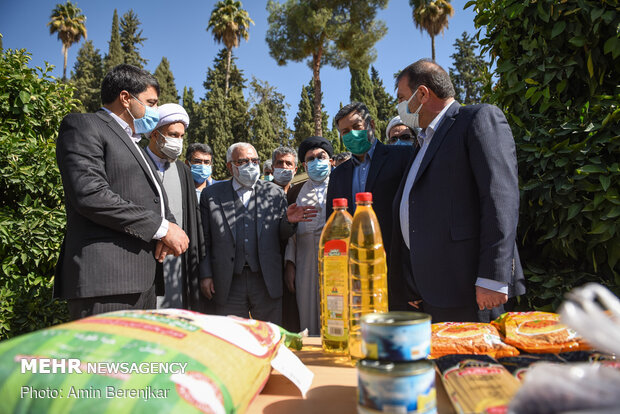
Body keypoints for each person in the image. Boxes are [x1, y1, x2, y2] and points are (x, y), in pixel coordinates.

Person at [390, 58, 526, 322]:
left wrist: (493, 276)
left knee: (474, 364)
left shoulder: (476, 119)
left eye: (402, 97)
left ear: (422, 94)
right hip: (431, 291)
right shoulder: (423, 141)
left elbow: (500, 198)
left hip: (472, 289)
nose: (399, 106)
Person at [55, 64, 189, 320]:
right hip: (107, 283)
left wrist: (167, 226)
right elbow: (90, 194)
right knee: (103, 361)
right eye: (151, 102)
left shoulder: (135, 143)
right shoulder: (84, 125)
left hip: (143, 282)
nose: (154, 110)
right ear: (126, 98)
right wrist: (161, 228)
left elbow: (153, 197)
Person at [199, 143, 317, 325]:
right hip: (228, 281)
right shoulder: (212, 195)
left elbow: (281, 236)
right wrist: (206, 274)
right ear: (230, 166)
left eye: (254, 161)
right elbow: (205, 238)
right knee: (233, 339)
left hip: (265, 279)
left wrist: (289, 222)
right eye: (243, 161)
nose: (251, 165)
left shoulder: (274, 193)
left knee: (268, 337)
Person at [326, 102, 415, 285]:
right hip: (356, 275)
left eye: (356, 127)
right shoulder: (337, 176)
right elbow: (334, 228)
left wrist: (413, 276)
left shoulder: (403, 157)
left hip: (400, 273)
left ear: (371, 125)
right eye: (345, 132)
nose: (352, 134)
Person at [144, 103, 208, 312]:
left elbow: (193, 222)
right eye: (173, 135)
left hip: (177, 266)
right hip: (143, 260)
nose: (178, 142)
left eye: (181, 136)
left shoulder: (182, 170)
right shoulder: (138, 162)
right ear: (155, 134)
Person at [284, 136, 334, 335]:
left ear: (330, 161)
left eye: (321, 157)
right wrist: (290, 265)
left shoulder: (341, 185)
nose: (316, 162)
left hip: (336, 259)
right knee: (307, 314)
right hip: (305, 261)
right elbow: (291, 233)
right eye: (310, 159)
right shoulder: (295, 191)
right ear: (304, 165)